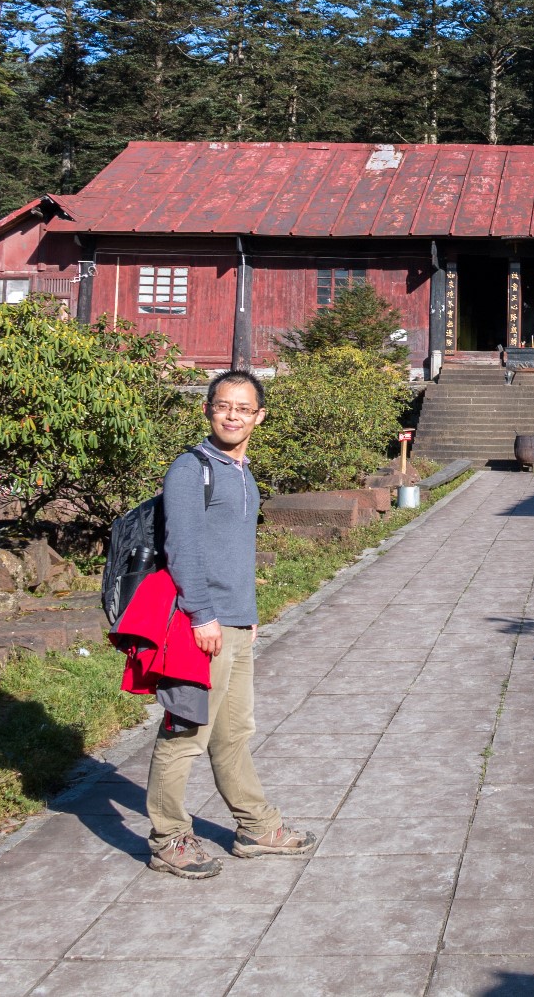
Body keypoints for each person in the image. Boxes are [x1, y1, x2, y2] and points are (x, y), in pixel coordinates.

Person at [144, 368, 314, 879]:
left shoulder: (242, 472)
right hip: (203, 624)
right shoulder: (190, 469)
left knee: (234, 731)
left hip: (236, 624)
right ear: (208, 410)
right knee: (186, 731)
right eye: (223, 406)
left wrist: (248, 617)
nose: (233, 415)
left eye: (244, 408)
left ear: (259, 417)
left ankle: (255, 828)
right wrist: (203, 615)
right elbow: (183, 548)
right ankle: (168, 838)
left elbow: (236, 552)